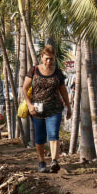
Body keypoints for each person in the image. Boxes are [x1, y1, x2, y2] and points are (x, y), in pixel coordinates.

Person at [22, 45, 72, 173]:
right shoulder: (34, 71)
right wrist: (29, 104)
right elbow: (24, 89)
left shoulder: (57, 73)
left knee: (53, 134)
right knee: (40, 137)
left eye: (51, 59)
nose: (49, 61)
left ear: (54, 59)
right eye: (46, 59)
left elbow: (64, 91)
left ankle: (54, 161)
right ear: (42, 58)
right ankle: (41, 162)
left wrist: (68, 107)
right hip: (37, 110)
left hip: (54, 109)